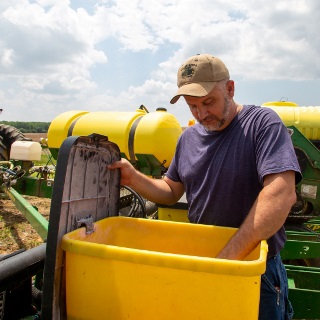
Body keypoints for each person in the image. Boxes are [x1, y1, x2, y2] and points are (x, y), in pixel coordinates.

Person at [108, 53, 301, 320]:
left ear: (230, 89)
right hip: (205, 260)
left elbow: (280, 193)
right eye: (193, 107)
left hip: (255, 270)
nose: (201, 114)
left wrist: (224, 262)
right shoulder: (187, 138)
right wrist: (133, 178)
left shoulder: (262, 124)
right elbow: (172, 190)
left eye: (208, 102)